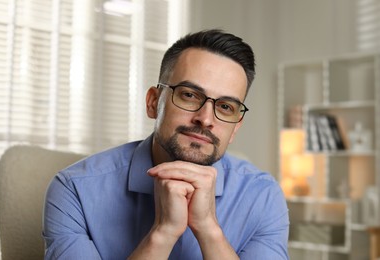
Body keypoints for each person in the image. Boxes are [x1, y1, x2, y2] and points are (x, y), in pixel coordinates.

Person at [43, 29, 289, 259]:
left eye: (225, 107)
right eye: (190, 95)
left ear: (235, 126)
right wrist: (163, 232)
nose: (205, 119)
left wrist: (207, 228)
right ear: (153, 102)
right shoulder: (74, 190)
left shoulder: (263, 196)